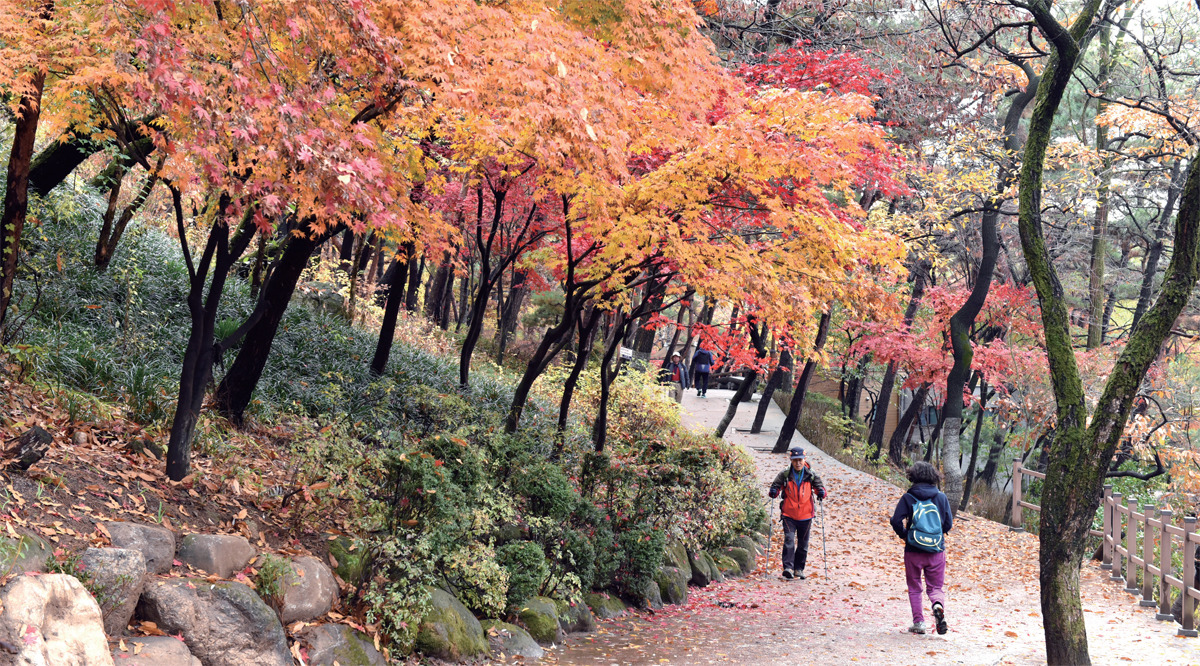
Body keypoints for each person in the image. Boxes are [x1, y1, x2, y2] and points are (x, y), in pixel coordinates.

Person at [889, 461, 953, 635]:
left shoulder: (908, 498)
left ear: (913, 476)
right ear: (933, 476)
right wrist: (938, 536)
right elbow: (948, 524)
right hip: (936, 550)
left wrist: (904, 535)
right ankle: (937, 605)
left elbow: (895, 520)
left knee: (915, 587)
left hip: (913, 550)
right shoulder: (941, 497)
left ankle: (919, 623)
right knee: (935, 588)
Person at [768, 447, 826, 579]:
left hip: (806, 515)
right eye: (795, 460)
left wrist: (821, 493)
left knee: (803, 544)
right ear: (791, 460)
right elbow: (775, 487)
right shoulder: (785, 474)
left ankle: (799, 569)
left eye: (800, 460)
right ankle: (788, 567)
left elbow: (820, 488)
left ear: (804, 460)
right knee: (789, 540)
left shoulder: (811, 474)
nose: (798, 463)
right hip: (789, 514)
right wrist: (773, 492)